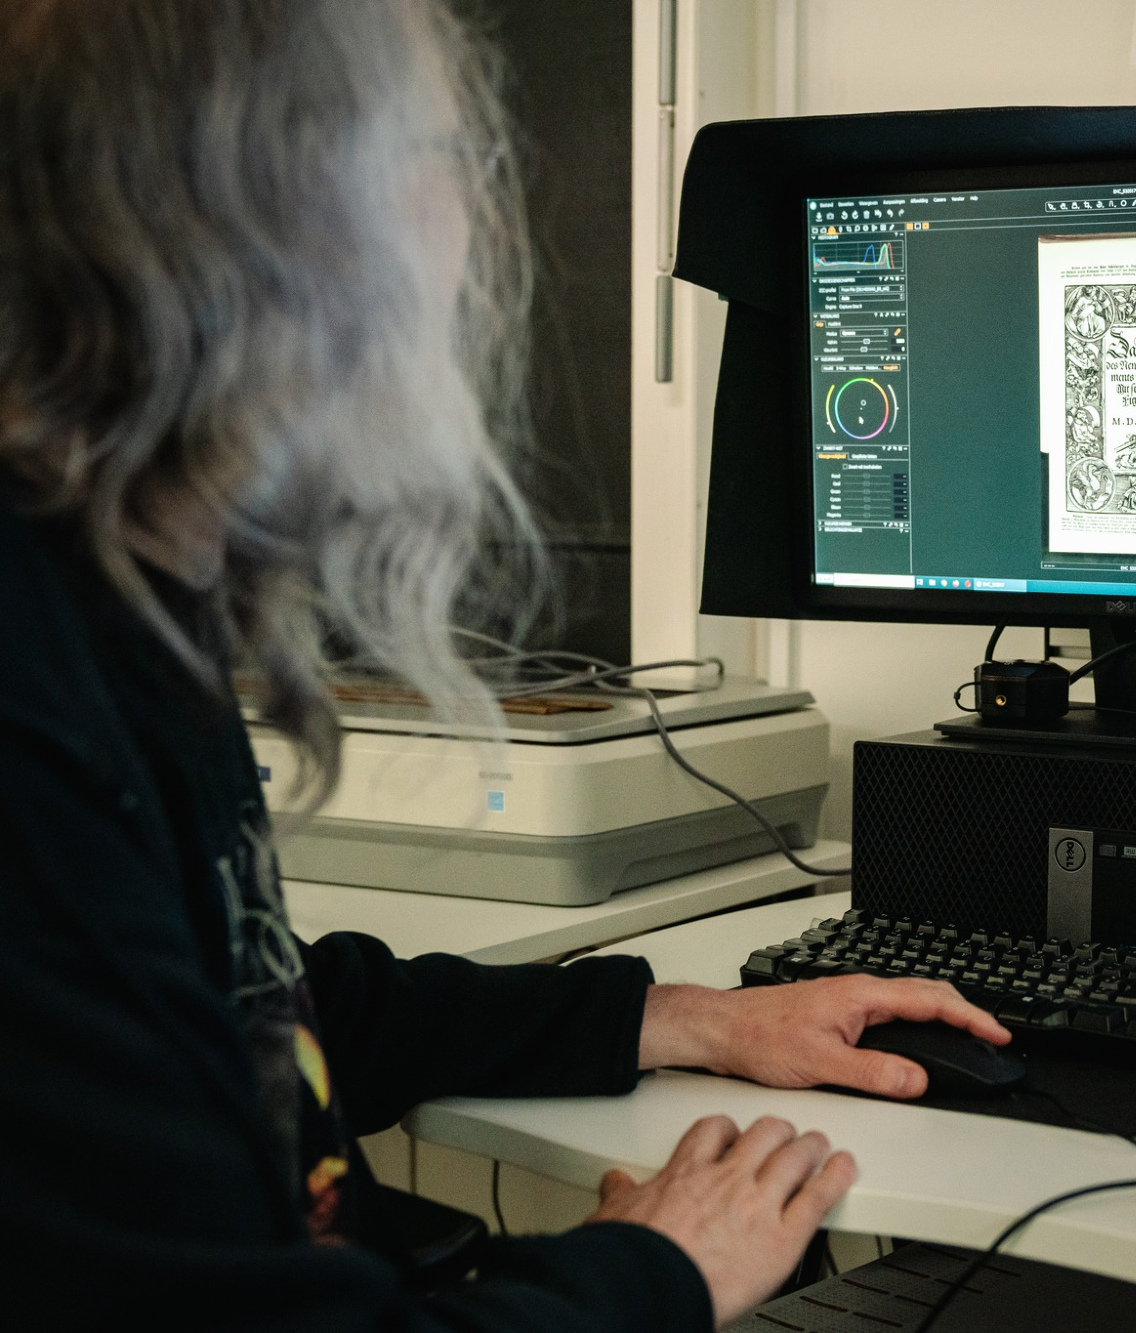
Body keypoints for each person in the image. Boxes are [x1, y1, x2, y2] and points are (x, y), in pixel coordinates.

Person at [0, 1, 1006, 1327]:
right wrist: (654, 1269)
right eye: (441, 159)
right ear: (272, 222)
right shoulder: (33, 722)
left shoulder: (116, 605)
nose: (480, 225)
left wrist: (686, 1019)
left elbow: (261, 1005)